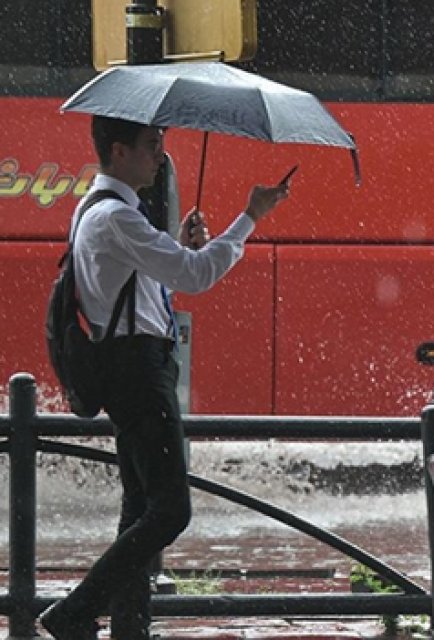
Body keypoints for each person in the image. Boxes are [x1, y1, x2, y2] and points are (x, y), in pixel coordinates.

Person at [39, 116, 289, 640]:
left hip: (133, 366)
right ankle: (75, 611)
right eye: (152, 146)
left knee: (140, 506)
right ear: (119, 151)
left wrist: (175, 244)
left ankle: (131, 624)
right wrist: (249, 217)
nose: (160, 156)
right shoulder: (117, 218)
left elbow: (144, 283)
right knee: (171, 510)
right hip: (137, 373)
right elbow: (195, 276)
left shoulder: (104, 212)